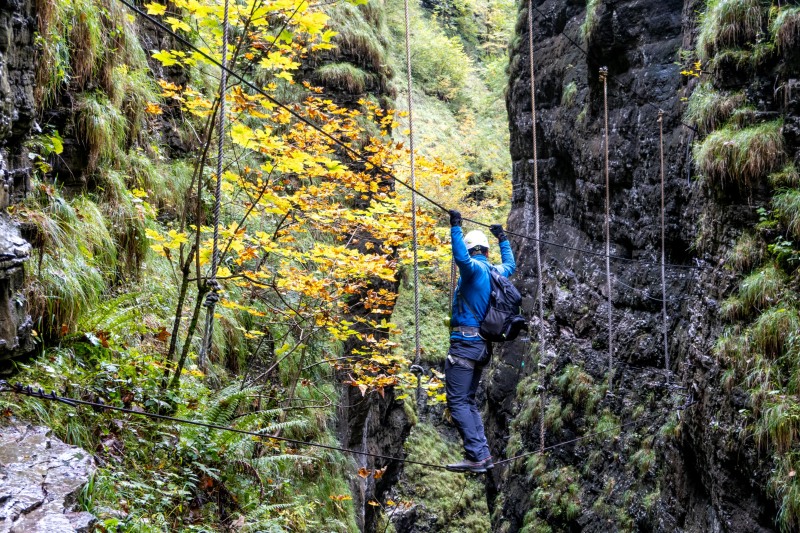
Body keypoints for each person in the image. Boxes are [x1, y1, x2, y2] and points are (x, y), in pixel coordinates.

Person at [444, 209, 515, 473]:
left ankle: (475, 455)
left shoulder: (473, 270)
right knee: (468, 401)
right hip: (481, 347)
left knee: (458, 402)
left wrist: (455, 227)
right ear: (486, 250)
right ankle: (483, 456)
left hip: (464, 344)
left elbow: (461, 258)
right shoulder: (497, 272)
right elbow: (511, 265)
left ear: (474, 251)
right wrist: (503, 238)